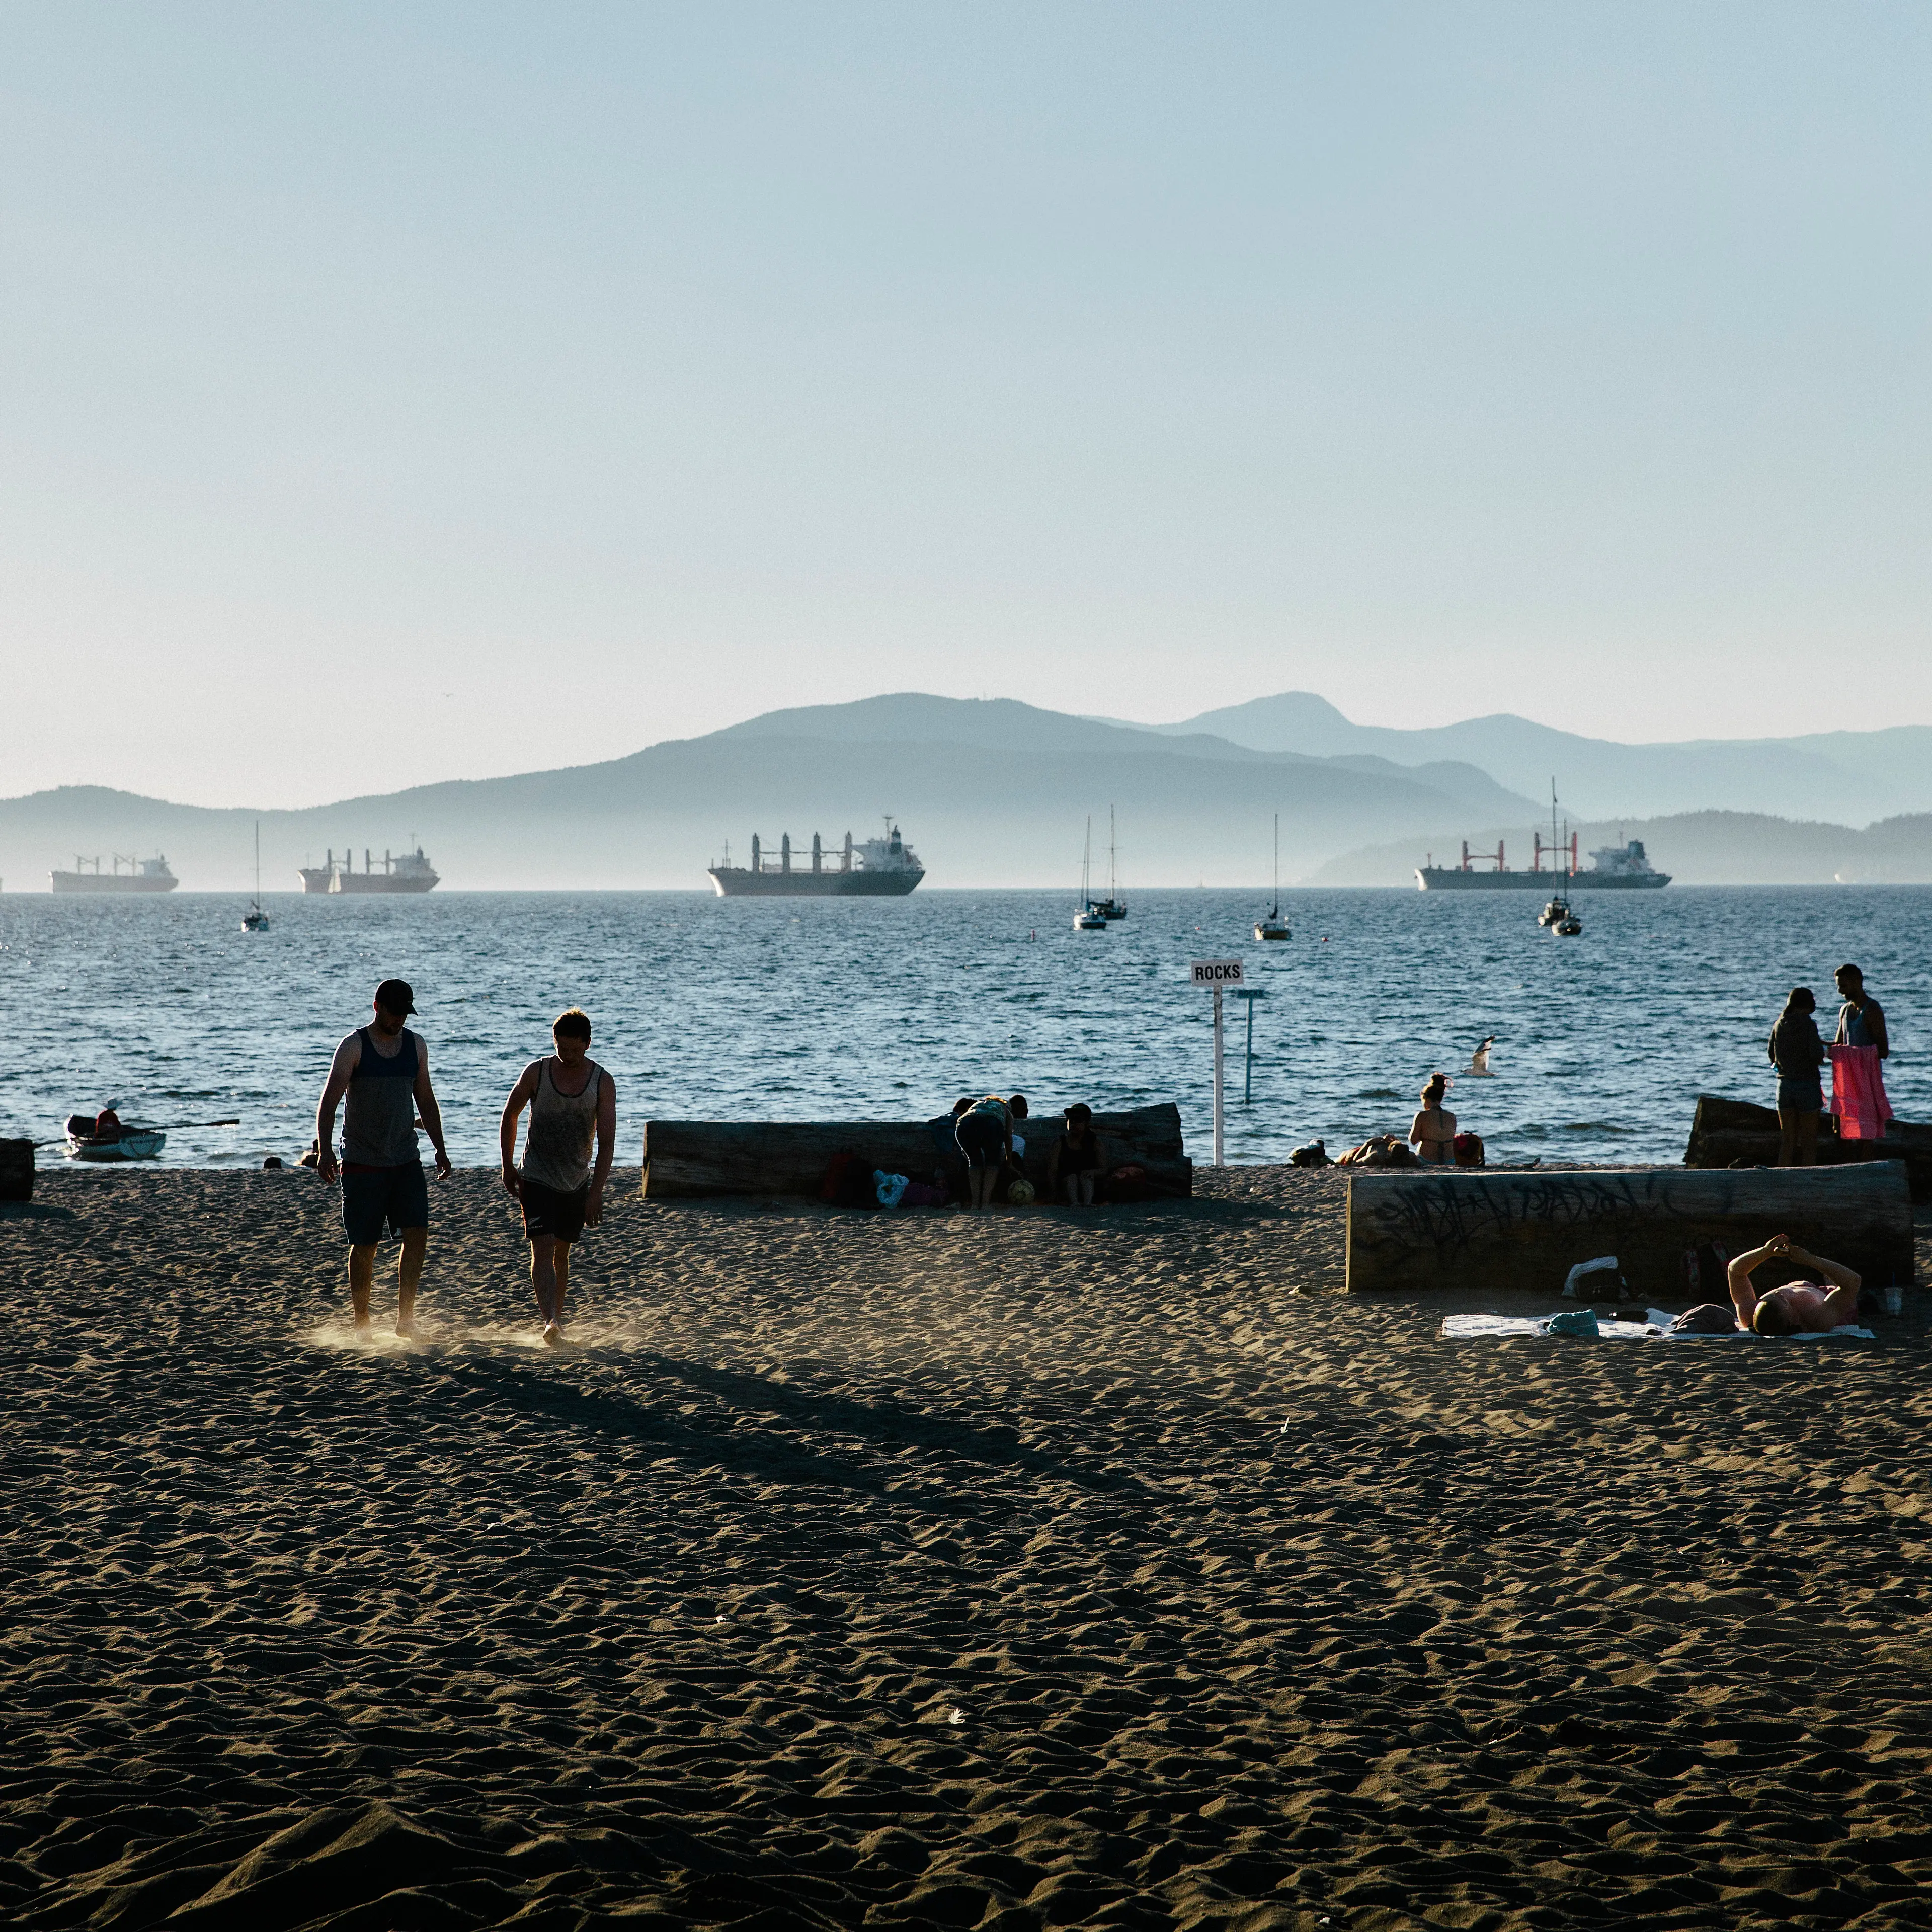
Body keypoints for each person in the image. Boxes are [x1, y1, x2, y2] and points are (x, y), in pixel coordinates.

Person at [315, 979, 451, 1337]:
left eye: (405, 1014)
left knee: (418, 1233)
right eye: (394, 1013)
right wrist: (325, 1150)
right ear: (377, 1007)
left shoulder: (415, 1046)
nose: (399, 1021)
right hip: (362, 1161)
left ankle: (405, 1318)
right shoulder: (353, 1047)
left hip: (405, 1158)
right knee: (365, 1245)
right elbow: (329, 1101)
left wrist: (440, 1148)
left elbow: (425, 1098)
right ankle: (363, 1324)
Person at [499, 1008, 616, 1345]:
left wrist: (596, 1192)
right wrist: (508, 1166)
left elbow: (607, 1141)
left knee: (562, 1253)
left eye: (575, 1050)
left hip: (576, 1180)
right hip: (536, 1174)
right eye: (562, 1049)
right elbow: (511, 1115)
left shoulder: (601, 1081)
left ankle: (557, 1320)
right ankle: (549, 1320)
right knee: (543, 1248)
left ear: (588, 1044)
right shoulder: (537, 1072)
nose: (567, 1056)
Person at [1726, 1233, 1863, 1335]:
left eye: (1770, 1298)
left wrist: (1766, 1252)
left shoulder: (1750, 1315)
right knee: (1838, 1279)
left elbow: (1735, 1271)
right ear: (1792, 1318)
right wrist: (1811, 1260)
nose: (1778, 1293)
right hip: (1827, 1295)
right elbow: (1852, 1283)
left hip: (1806, 1288)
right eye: (1782, 1300)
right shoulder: (1817, 1321)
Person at [1768, 987, 1825, 1167]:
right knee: (1809, 1143)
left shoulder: (1779, 1024)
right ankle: (1809, 1182)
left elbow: (1771, 1054)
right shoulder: (1808, 1024)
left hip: (1783, 1085)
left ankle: (1782, 1181)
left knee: (1787, 1141)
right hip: (1807, 1085)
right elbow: (1816, 1054)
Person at [954, 1094, 1012, 1210]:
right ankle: (985, 1203)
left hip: (964, 1124)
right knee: (992, 1163)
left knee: (974, 1162)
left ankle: (975, 1204)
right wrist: (1009, 1161)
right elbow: (1009, 1137)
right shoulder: (1005, 1109)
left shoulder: (977, 1105)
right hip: (991, 1125)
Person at [1049, 1102, 1105, 1205]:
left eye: (1078, 1120)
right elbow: (1053, 1170)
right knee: (1072, 1178)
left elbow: (1103, 1169)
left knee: (1086, 1178)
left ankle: (1088, 1204)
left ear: (1086, 1123)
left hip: (1088, 1185)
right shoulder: (1060, 1142)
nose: (1073, 1123)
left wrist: (1092, 1172)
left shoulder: (1095, 1142)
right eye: (1071, 1120)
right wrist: (1054, 1193)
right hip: (1067, 1186)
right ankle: (1074, 1203)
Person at [1834, 964, 1890, 1058]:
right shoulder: (1845, 1011)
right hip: (1850, 1071)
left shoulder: (1872, 1010)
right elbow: (1838, 1046)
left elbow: (1883, 1051)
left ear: (1857, 983)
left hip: (1868, 1071)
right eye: (1839, 986)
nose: (1840, 990)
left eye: (1843, 986)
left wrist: (1855, 1053)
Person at [1408, 1073, 1456, 1165]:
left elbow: (1413, 1141)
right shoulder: (1452, 1117)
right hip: (1450, 1161)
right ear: (1440, 1099)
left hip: (1425, 1160)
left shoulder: (1422, 1116)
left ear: (1426, 1098)